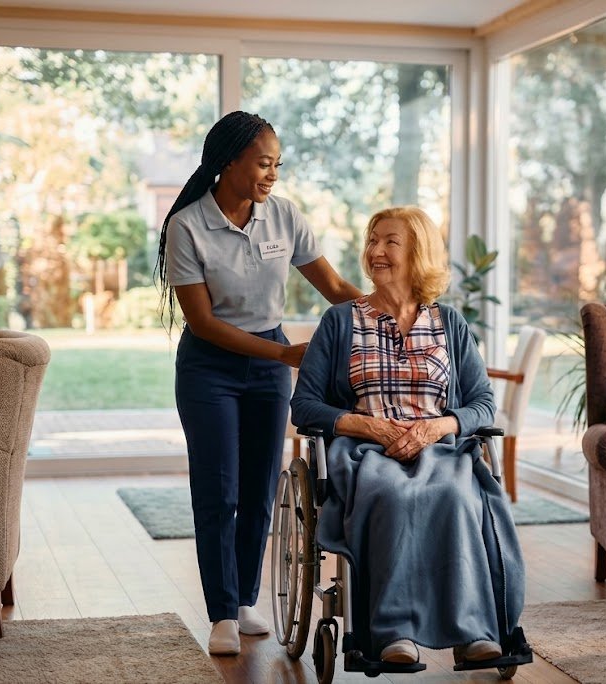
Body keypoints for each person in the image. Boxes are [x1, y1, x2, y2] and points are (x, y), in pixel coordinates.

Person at [156, 110, 362, 656]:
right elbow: (203, 323)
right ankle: (221, 612)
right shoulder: (188, 226)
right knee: (217, 490)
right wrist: (284, 353)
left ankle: (245, 599)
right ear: (228, 163)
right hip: (210, 367)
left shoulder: (284, 217)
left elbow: (335, 286)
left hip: (269, 363)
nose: (273, 174)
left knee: (259, 490)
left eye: (277, 164)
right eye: (263, 163)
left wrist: (392, 305)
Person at [291, 206, 525, 666]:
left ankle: (473, 630)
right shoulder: (341, 321)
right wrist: (368, 425)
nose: (375, 251)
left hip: (438, 448)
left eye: (390, 242)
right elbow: (305, 404)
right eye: (372, 240)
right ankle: (394, 630)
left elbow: (482, 402)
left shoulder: (448, 323)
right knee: (392, 494)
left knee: (457, 497)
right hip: (366, 452)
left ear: (418, 252)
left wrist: (438, 426)